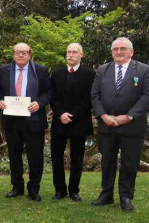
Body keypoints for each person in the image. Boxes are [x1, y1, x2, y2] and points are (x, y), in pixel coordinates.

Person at [91, 37, 149, 212]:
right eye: (115, 49)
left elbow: (148, 95)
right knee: (108, 162)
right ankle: (106, 195)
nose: (118, 52)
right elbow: (95, 95)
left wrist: (128, 116)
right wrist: (103, 115)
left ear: (131, 52)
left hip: (132, 126)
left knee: (129, 163)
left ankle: (126, 197)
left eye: (122, 49)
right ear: (112, 52)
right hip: (107, 125)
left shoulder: (143, 70)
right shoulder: (103, 70)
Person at [0, 43, 52, 202]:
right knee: (14, 156)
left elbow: (48, 92)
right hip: (12, 121)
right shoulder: (4, 70)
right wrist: (0, 101)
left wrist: (39, 103)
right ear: (13, 54)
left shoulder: (40, 71)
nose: (20, 55)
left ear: (30, 54)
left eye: (24, 52)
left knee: (35, 157)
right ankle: (17, 187)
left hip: (34, 120)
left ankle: (34, 189)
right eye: (17, 52)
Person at [50, 43, 95, 202]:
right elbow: (52, 97)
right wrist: (61, 113)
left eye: (74, 52)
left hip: (79, 123)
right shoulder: (56, 74)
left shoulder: (90, 74)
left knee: (77, 158)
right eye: (68, 52)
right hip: (59, 122)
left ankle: (74, 190)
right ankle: (59, 190)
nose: (70, 55)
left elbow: (89, 99)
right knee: (56, 157)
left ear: (81, 54)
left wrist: (72, 115)